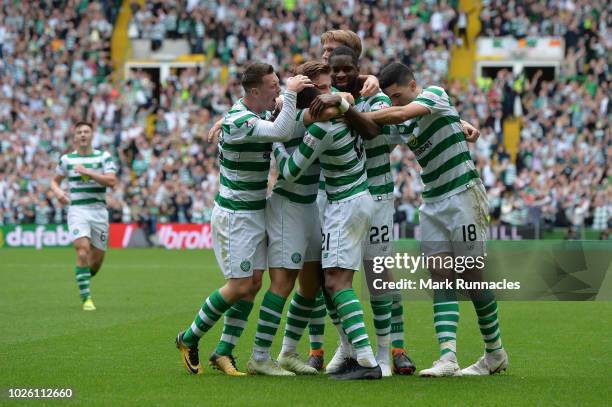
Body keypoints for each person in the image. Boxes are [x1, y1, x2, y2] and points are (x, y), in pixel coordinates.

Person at [365, 62, 509, 376]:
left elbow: (405, 114)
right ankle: (447, 357)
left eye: (398, 96)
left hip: (463, 194)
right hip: (432, 201)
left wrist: (361, 114)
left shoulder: (434, 93)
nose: (395, 104)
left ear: (414, 85)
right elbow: (394, 122)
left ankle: (495, 352)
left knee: (471, 277)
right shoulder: (402, 118)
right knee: (440, 275)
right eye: (389, 99)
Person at [175, 63, 313, 376]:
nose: (278, 89)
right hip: (235, 215)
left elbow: (272, 116)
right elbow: (279, 131)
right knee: (238, 286)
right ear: (254, 91)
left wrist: (283, 99)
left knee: (252, 286)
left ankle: (224, 351)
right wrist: (290, 95)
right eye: (273, 86)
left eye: (279, 84)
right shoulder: (240, 119)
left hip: (255, 211)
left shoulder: (249, 113)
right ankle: (189, 337)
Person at [273, 74, 382, 380]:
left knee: (336, 282)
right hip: (356, 198)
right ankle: (356, 354)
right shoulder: (347, 113)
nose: (329, 92)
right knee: (331, 281)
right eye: (322, 90)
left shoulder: (320, 128)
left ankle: (366, 360)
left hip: (344, 205)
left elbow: (291, 171)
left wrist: (275, 145)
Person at [51, 121, 117, 311]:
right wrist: (57, 192)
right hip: (78, 211)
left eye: (86, 131)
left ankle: (83, 277)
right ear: (74, 137)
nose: (82, 134)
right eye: (79, 132)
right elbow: (54, 182)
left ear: (92, 135)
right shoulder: (66, 160)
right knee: (82, 251)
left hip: (99, 212)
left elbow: (112, 181)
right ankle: (86, 298)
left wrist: (88, 172)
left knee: (95, 264)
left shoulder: (103, 157)